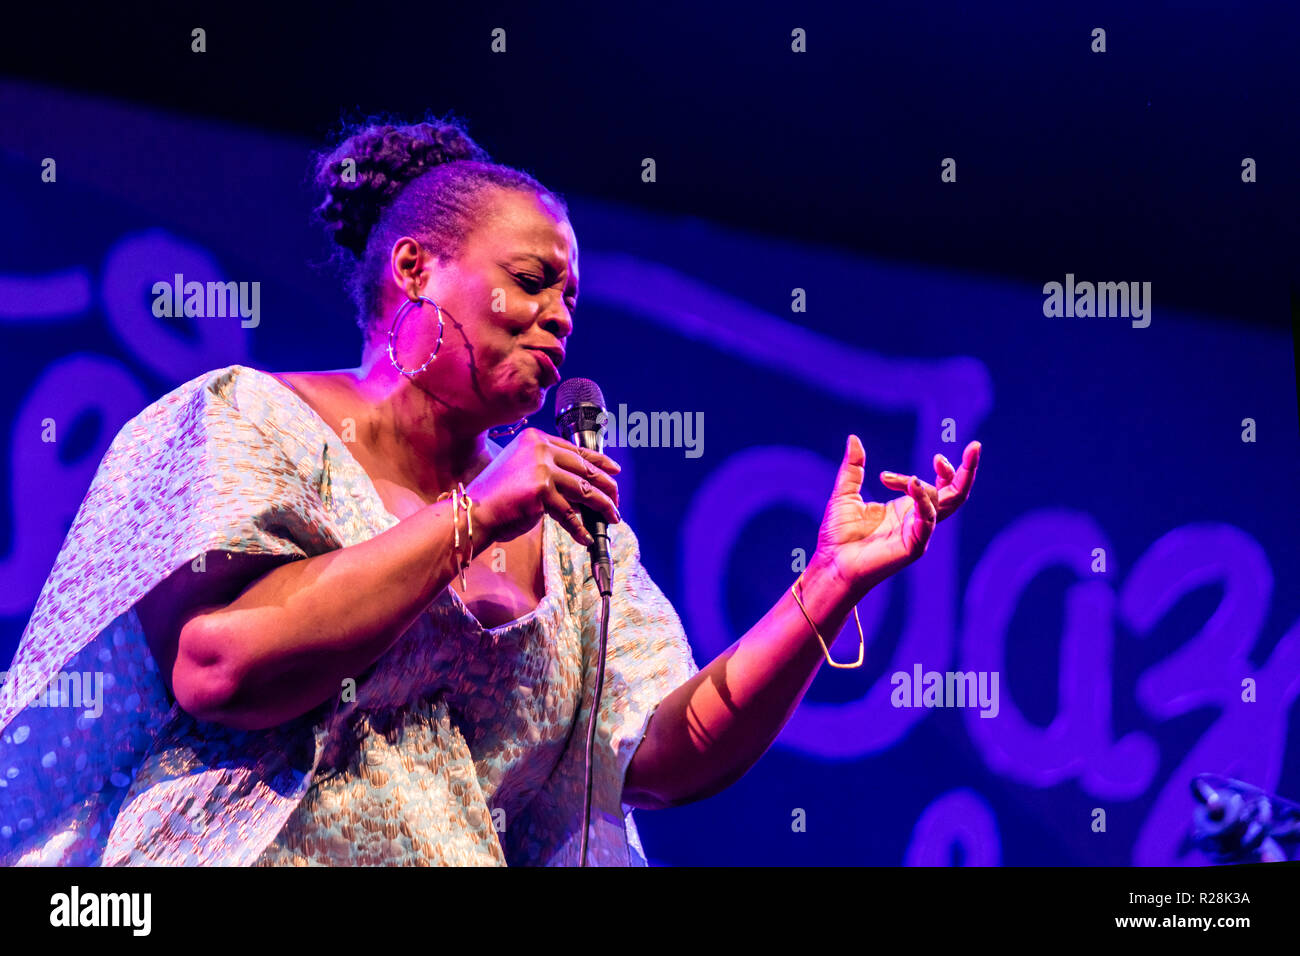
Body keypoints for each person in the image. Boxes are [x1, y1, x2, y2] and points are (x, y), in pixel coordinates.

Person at [0, 113, 981, 866]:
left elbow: (660, 757)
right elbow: (219, 668)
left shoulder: (568, 535)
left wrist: (827, 586)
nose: (558, 316)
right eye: (530, 279)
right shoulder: (254, 419)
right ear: (415, 269)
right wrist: (469, 520)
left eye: (570, 298)